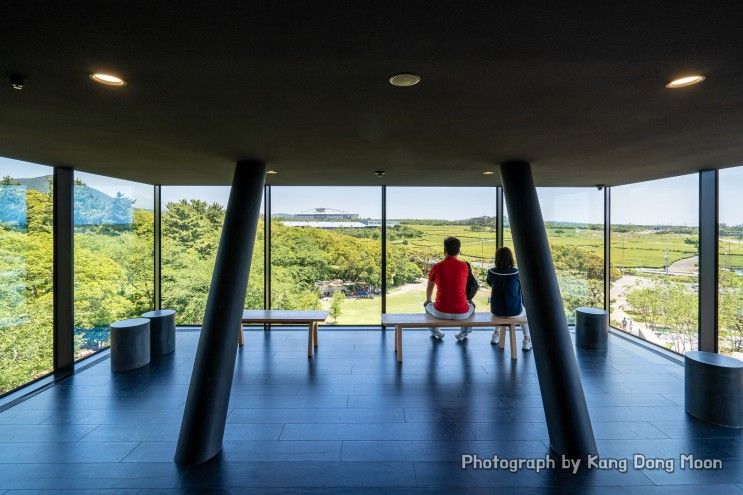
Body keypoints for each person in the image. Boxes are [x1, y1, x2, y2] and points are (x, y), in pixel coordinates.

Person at [424, 237, 475, 340]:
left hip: (440, 312)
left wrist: (428, 300)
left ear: (444, 250)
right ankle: (463, 333)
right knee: (472, 307)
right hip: (462, 313)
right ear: (459, 250)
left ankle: (436, 332)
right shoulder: (464, 266)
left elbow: (430, 287)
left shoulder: (437, 266)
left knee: (427, 306)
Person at [486, 247, 532, 350]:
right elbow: (521, 289)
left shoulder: (491, 272)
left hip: (496, 311)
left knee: (501, 308)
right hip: (514, 312)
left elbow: (489, 283)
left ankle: (496, 335)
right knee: (525, 313)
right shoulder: (517, 273)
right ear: (511, 258)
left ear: (497, 258)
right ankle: (526, 340)